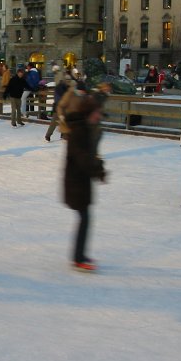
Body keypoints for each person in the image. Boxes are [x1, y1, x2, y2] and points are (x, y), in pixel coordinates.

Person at [64, 97, 107, 271]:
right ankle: (78, 257)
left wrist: (98, 167)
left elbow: (89, 156)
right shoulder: (80, 131)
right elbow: (82, 158)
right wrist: (97, 170)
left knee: (85, 218)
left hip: (80, 181)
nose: (99, 115)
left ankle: (78, 256)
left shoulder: (85, 128)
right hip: (76, 183)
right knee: (85, 218)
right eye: (97, 111)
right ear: (90, 112)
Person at [45, 65, 68, 141]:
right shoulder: (62, 86)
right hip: (60, 105)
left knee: (55, 121)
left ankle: (49, 135)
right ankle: (62, 134)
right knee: (60, 120)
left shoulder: (59, 85)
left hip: (58, 105)